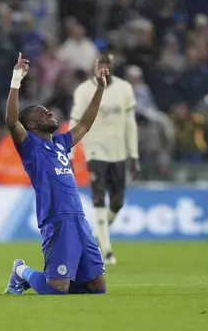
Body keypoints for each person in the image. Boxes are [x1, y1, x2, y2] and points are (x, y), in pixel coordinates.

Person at [3, 53, 108, 295]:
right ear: (31, 126)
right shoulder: (29, 145)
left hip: (79, 218)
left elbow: (84, 125)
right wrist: (16, 80)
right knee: (57, 289)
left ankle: (52, 279)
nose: (49, 113)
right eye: (42, 113)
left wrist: (100, 88)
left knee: (97, 288)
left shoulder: (61, 143)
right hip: (56, 219)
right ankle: (21, 271)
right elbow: (11, 121)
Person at [70, 52, 139, 266]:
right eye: (101, 63)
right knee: (98, 199)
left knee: (117, 203)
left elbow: (130, 123)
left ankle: (98, 235)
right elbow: (75, 119)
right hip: (95, 151)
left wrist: (133, 154)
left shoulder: (124, 89)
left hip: (118, 153)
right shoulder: (83, 90)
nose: (104, 67)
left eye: (108, 63)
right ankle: (107, 251)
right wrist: (70, 153)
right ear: (95, 65)